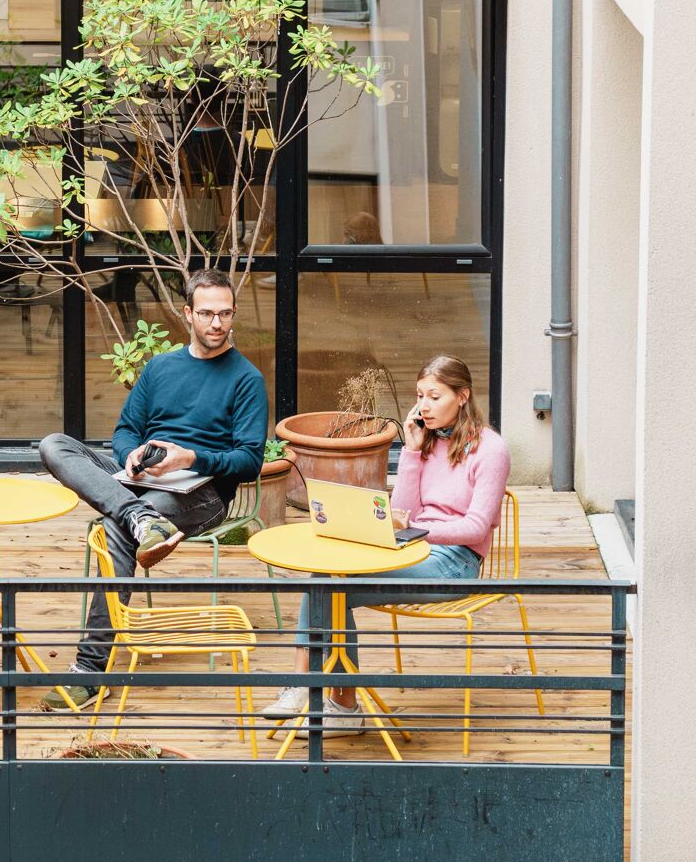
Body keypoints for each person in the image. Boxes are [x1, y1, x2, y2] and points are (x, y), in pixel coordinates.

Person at [36, 268, 269, 710]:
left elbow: (250, 460)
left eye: (224, 314)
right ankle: (139, 515)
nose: (216, 324)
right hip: (142, 479)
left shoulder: (246, 380)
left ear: (233, 315)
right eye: (206, 314)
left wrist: (192, 458)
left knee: (114, 529)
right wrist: (131, 456)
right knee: (54, 445)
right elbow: (125, 430)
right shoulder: (161, 367)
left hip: (203, 492)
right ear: (188, 314)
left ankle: (89, 670)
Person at [261, 354, 506, 728]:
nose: (423, 405)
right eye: (420, 395)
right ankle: (317, 694)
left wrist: (414, 532)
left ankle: (334, 702)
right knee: (326, 579)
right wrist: (410, 450)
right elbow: (403, 511)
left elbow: (475, 528)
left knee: (333, 590)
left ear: (463, 396)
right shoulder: (425, 441)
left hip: (456, 563)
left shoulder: (491, 449)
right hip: (411, 548)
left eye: (434, 396)